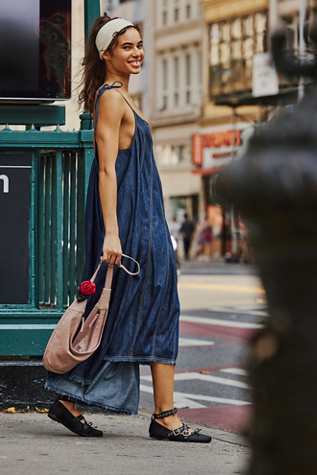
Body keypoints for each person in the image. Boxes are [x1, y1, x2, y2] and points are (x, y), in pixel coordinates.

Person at [45, 14, 211, 443]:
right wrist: (113, 234)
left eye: (139, 44)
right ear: (106, 55)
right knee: (156, 305)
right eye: (126, 47)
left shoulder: (124, 98)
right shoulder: (112, 98)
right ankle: (165, 416)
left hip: (144, 215)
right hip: (133, 221)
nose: (136, 52)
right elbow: (105, 169)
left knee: (124, 308)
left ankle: (70, 400)